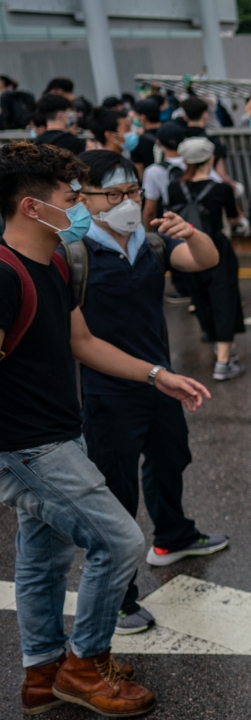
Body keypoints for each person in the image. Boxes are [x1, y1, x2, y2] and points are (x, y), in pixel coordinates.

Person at [0, 141, 210, 717]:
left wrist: (157, 375)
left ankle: (43, 674)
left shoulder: (58, 264)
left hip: (60, 434)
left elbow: (82, 343)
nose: (83, 210)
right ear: (30, 208)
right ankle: (85, 666)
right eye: (72, 200)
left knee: (41, 562)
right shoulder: (4, 275)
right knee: (118, 540)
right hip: (26, 448)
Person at [72, 150, 229, 634]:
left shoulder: (150, 243)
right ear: (84, 198)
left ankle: (173, 535)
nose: (126, 203)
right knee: (115, 494)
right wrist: (153, 374)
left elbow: (206, 259)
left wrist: (193, 233)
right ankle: (118, 598)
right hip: (106, 391)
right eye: (113, 194)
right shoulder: (72, 252)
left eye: (133, 192)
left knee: (169, 457)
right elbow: (82, 344)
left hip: (159, 382)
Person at [169, 137, 246, 381]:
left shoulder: (174, 187)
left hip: (187, 248)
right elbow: (233, 219)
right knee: (225, 299)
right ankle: (224, 361)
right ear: (210, 158)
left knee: (201, 297)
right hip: (216, 248)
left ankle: (217, 345)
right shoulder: (221, 189)